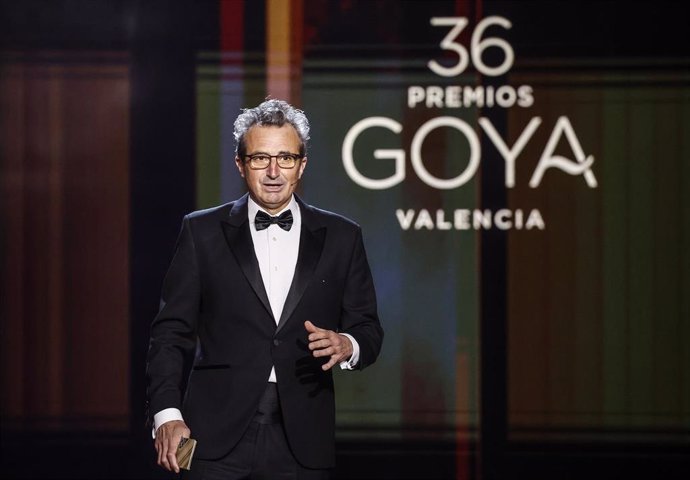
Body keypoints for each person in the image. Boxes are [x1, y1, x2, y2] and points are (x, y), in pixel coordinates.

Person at [146, 98, 384, 479]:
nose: (274, 171)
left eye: (285, 158)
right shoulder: (201, 232)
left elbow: (369, 331)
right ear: (241, 164)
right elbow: (170, 333)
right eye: (260, 158)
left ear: (302, 164)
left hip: (304, 436)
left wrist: (347, 345)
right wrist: (167, 414)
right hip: (211, 434)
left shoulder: (342, 236)